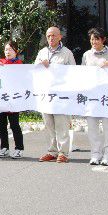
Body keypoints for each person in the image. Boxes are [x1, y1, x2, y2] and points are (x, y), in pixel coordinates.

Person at [35, 26, 76, 163]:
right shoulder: (42, 52)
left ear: (60, 37)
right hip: (45, 95)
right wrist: (41, 65)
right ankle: (52, 151)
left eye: (53, 35)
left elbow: (74, 73)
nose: (51, 38)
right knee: (48, 124)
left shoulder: (67, 53)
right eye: (48, 36)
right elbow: (34, 71)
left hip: (61, 95)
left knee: (62, 124)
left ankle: (63, 153)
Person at [81, 28, 108, 166]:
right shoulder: (86, 55)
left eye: (96, 39)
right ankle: (95, 154)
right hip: (91, 96)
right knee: (92, 127)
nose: (94, 42)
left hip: (107, 95)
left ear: (103, 40)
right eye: (92, 39)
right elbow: (82, 74)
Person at [0, 40, 24, 158]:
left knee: (14, 124)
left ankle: (19, 148)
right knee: (2, 125)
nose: (8, 52)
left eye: (10, 49)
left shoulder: (20, 64)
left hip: (13, 100)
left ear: (16, 51)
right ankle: (4, 147)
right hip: (0, 98)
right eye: (6, 49)